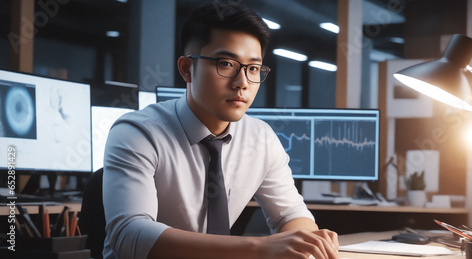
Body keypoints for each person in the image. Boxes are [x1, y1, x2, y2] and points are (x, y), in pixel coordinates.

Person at [102, 1, 339, 259]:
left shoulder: (261, 138)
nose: (242, 83)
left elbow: (292, 215)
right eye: (226, 64)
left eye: (253, 68)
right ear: (186, 69)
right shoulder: (137, 133)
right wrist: (259, 248)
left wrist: (304, 243)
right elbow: (130, 235)